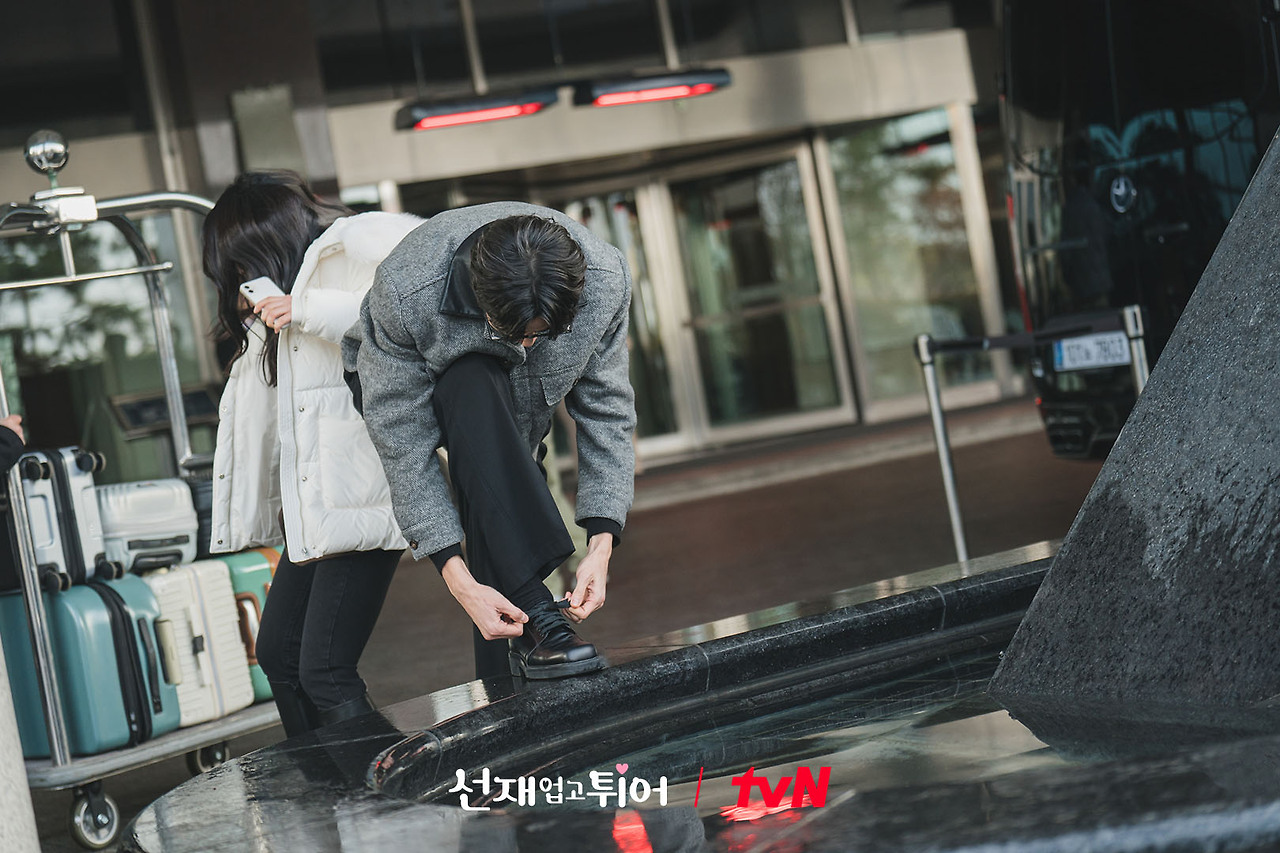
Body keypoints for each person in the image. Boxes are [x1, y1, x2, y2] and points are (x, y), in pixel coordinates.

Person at [343, 202, 636, 681]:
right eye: (512, 333)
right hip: (406, 385)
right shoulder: (407, 291)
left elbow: (607, 410)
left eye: (543, 335)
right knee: (471, 378)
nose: (527, 346)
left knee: (493, 499)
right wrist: (457, 579)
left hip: (517, 420)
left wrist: (601, 544)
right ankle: (539, 615)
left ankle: (512, 669)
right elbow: (404, 446)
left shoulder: (606, 281)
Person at [202, 170, 423, 736]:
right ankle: (327, 783)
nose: (238, 282)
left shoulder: (347, 255)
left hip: (362, 496)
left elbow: (405, 311)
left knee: (325, 670)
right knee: (279, 656)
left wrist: (304, 308)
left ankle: (392, 785)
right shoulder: (274, 316)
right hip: (317, 509)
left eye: (240, 264)